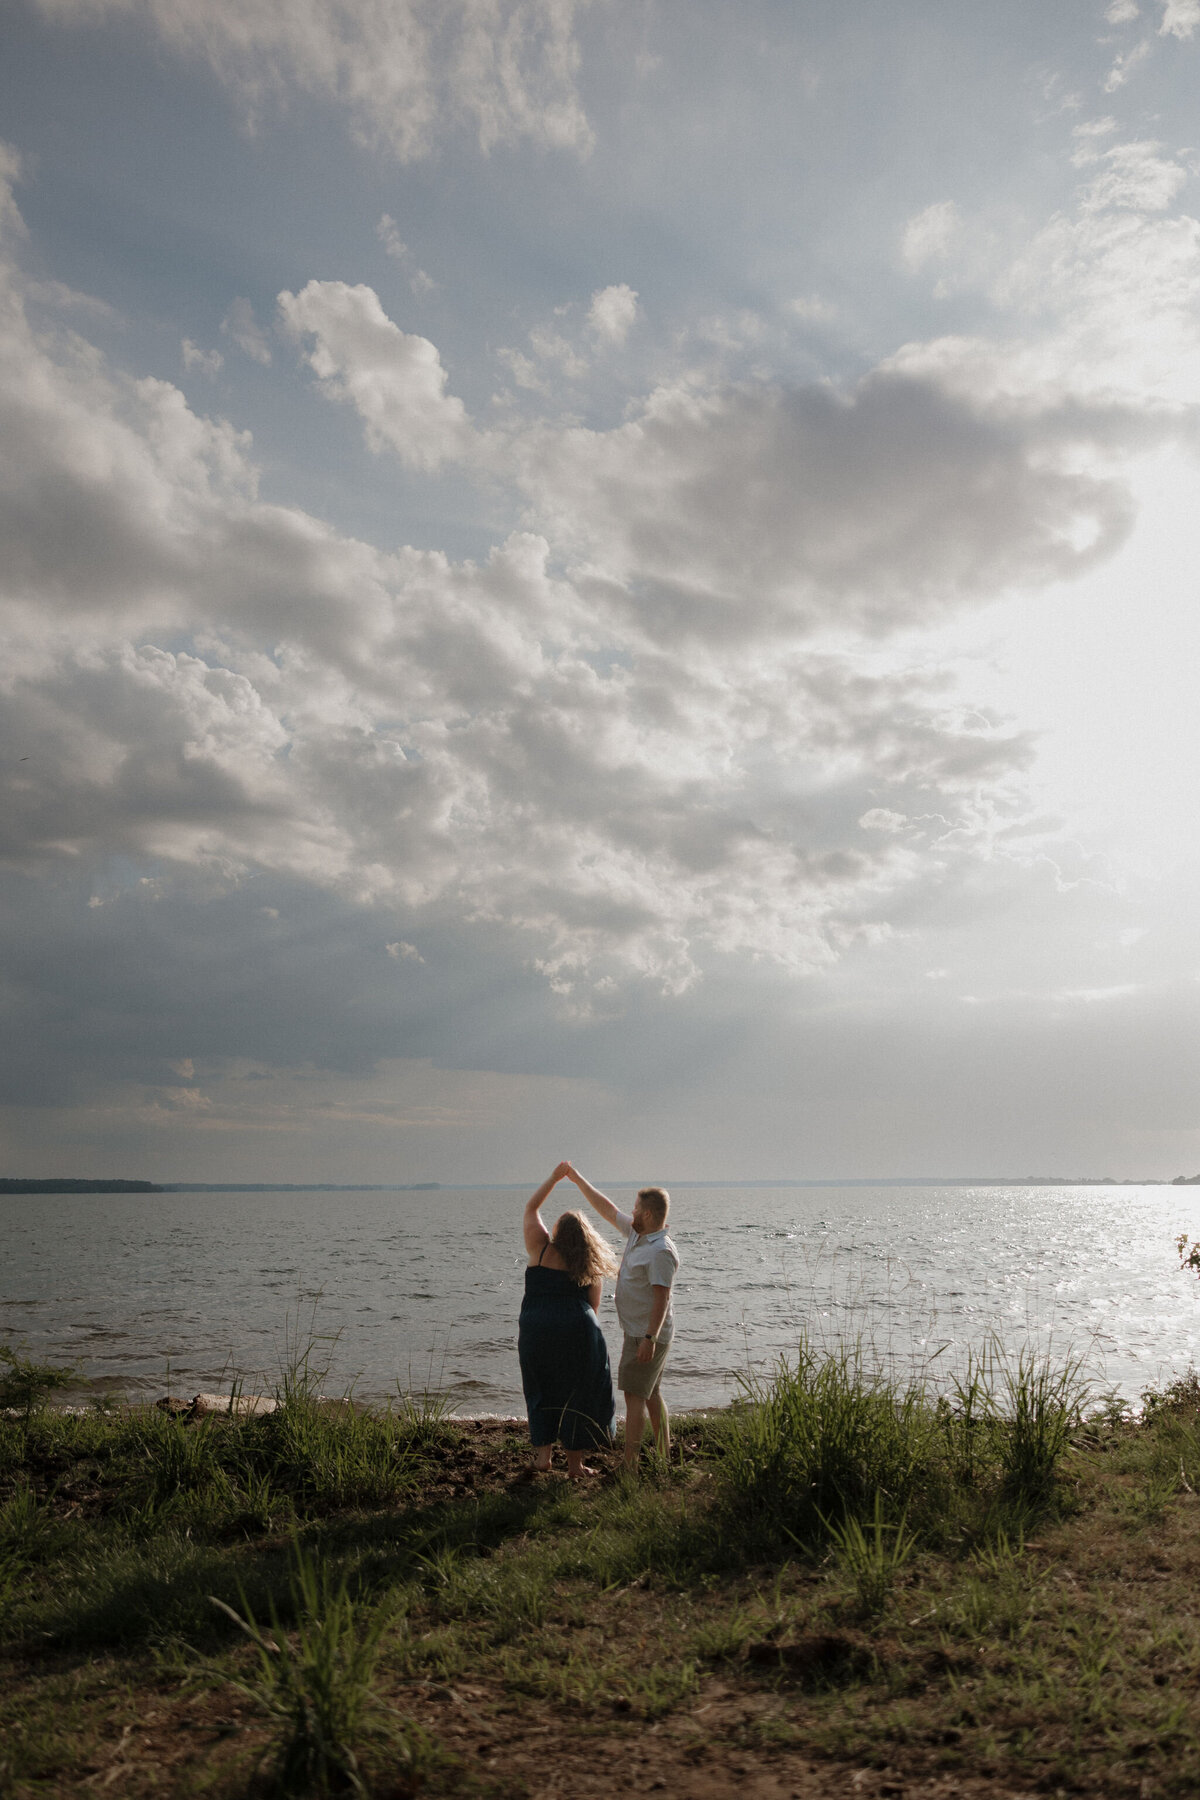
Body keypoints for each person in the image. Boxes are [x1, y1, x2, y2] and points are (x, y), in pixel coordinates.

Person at [564, 1165, 679, 1470]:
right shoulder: (639, 1234)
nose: (632, 1212)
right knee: (650, 1393)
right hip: (638, 1331)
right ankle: (664, 1454)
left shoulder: (660, 1251)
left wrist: (650, 1339)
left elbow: (662, 1298)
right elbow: (608, 1210)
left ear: (649, 1214)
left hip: (647, 1334)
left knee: (634, 1397)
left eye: (637, 1208)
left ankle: (629, 1465)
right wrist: (577, 1179)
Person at [517, 1162, 618, 1478]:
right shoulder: (588, 1264)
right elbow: (593, 1308)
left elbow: (531, 1207)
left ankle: (543, 1458)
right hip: (578, 1328)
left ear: (557, 1232)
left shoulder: (540, 1248)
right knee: (579, 1394)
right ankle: (575, 1466)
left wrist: (554, 1178)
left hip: (537, 1326)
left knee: (540, 1388)